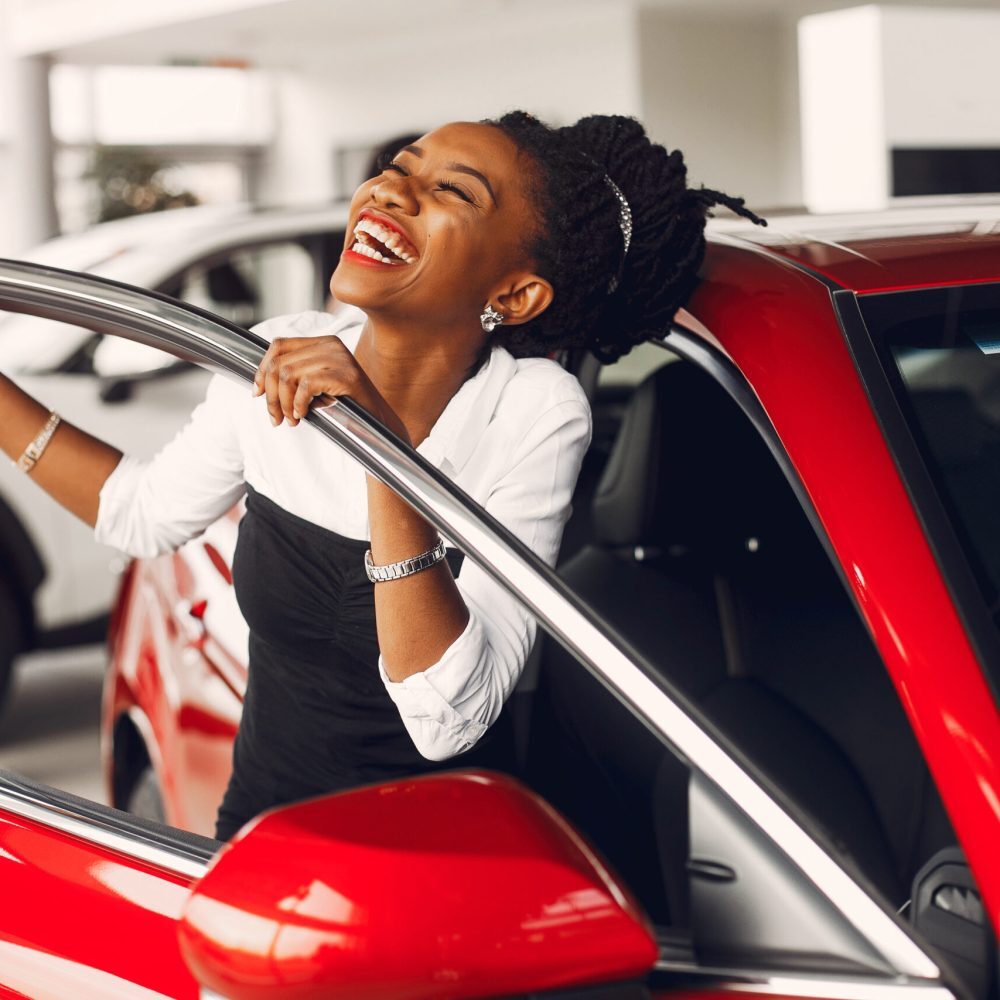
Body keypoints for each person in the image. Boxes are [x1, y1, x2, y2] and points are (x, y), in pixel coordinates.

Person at [0, 112, 765, 840]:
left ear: (514, 294)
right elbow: (142, 513)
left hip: (438, 863)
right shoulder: (281, 350)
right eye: (399, 170)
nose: (392, 191)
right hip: (264, 844)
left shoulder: (532, 410)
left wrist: (378, 445)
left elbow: (447, 722)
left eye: (453, 191)